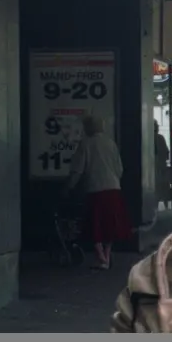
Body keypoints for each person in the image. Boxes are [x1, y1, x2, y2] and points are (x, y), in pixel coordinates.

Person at [67, 115, 131, 270]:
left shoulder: (86, 144)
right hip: (114, 188)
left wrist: (69, 187)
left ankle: (101, 257)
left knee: (94, 225)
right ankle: (106, 256)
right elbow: (120, 169)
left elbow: (78, 170)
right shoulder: (111, 143)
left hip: (95, 189)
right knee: (110, 226)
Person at [154, 121, 172, 211]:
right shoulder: (160, 138)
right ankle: (166, 206)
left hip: (154, 168)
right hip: (162, 166)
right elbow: (166, 152)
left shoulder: (148, 137)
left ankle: (155, 207)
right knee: (164, 187)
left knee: (155, 188)